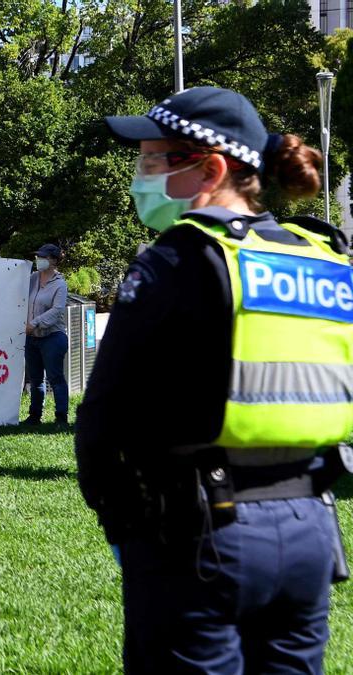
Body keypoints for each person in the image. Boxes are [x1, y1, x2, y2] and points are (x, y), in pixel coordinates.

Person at [76, 86, 351, 673]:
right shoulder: (324, 256)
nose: (141, 174)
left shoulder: (179, 258)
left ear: (212, 168)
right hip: (311, 530)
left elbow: (102, 417)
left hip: (199, 536)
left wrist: (123, 522)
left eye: (153, 159)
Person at [23, 243, 69, 425]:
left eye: (44, 257)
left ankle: (61, 418)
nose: (39, 260)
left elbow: (57, 310)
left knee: (55, 378)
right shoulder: (32, 278)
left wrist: (34, 324)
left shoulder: (60, 284)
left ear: (54, 261)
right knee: (35, 379)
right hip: (32, 338)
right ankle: (35, 416)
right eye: (38, 256)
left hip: (53, 338)